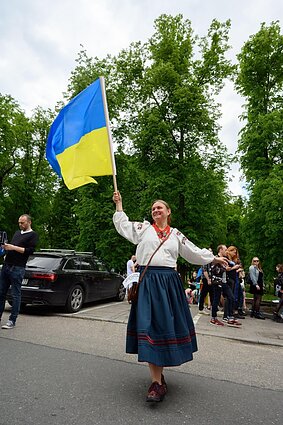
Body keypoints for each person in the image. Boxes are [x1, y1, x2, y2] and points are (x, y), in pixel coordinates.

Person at [112, 191, 228, 402]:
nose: (156, 210)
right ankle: (156, 382)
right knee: (149, 327)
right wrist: (119, 205)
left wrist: (214, 259)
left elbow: (192, 252)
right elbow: (124, 226)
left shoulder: (176, 234)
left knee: (164, 328)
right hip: (149, 283)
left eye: (160, 207)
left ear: (168, 212)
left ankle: (158, 376)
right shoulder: (144, 229)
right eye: (153, 208)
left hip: (169, 283)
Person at [0, 214, 38, 329]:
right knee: (1, 293)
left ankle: (12, 320)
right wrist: (5, 249)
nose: (20, 225)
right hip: (6, 266)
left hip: (17, 268)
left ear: (29, 222)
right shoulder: (17, 233)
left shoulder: (33, 235)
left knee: (15, 295)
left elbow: (29, 251)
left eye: (22, 223)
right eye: (19, 223)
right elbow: (11, 247)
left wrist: (13, 247)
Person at [210, 244, 241, 327]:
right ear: (220, 250)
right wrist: (226, 269)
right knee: (216, 299)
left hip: (224, 281)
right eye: (225, 249)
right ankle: (213, 318)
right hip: (217, 282)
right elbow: (214, 270)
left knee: (231, 297)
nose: (226, 251)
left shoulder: (225, 259)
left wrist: (229, 268)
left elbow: (227, 268)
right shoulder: (216, 258)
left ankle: (230, 317)